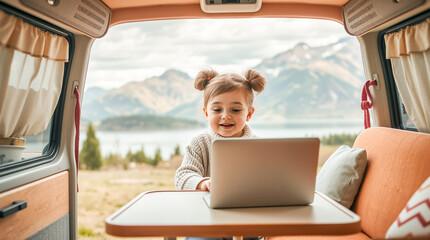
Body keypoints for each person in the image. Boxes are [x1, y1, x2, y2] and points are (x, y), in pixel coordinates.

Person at [175, 68, 266, 191]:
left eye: (235, 110)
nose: (226, 116)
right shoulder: (200, 143)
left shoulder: (260, 146)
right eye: (217, 110)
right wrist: (203, 183)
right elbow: (182, 177)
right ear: (206, 113)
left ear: (249, 114)